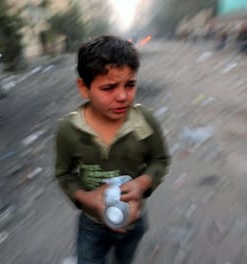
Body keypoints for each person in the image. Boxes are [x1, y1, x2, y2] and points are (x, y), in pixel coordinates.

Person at [54, 35, 170, 264]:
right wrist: (86, 198)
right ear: (84, 87)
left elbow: (160, 159)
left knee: (124, 259)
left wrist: (142, 184)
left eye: (130, 84)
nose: (122, 96)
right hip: (91, 225)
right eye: (108, 87)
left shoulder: (144, 122)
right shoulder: (69, 130)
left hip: (133, 219)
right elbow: (64, 174)